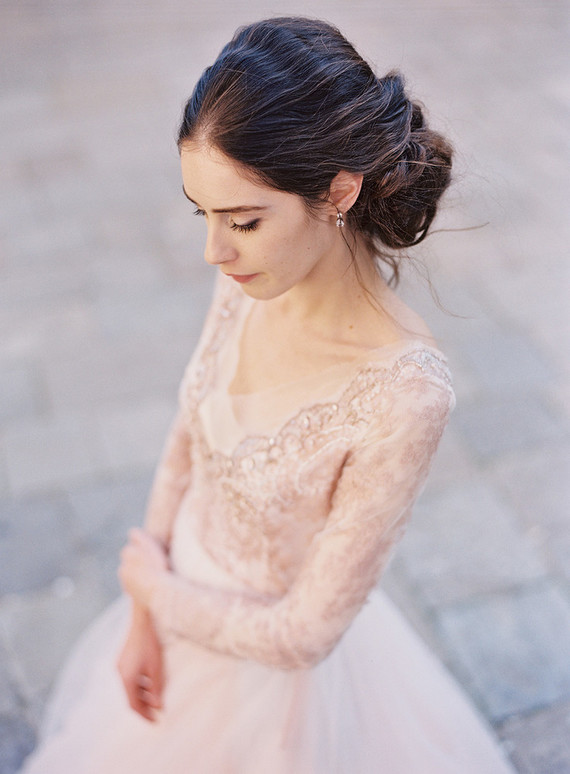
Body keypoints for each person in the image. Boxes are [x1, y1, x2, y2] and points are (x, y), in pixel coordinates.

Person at [21, 17, 515, 774]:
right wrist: (143, 613)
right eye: (205, 215)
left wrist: (154, 590)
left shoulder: (404, 392)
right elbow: (188, 431)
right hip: (170, 607)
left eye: (243, 220)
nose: (215, 252)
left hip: (276, 701)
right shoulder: (248, 281)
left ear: (338, 191)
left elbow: (304, 633)